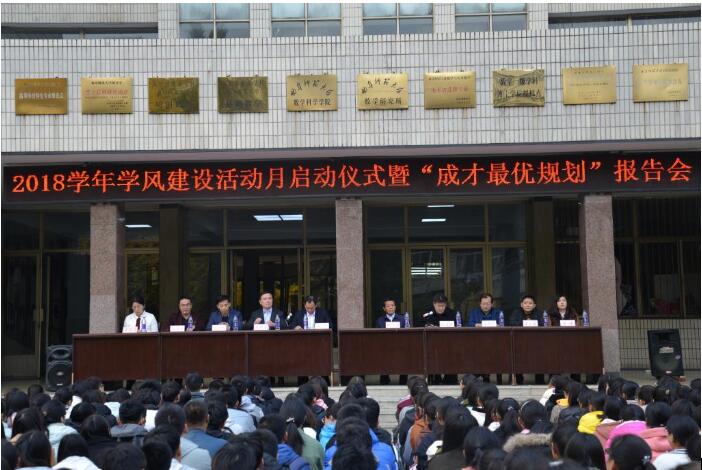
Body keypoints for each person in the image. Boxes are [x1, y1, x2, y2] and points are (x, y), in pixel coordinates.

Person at [506, 294, 545, 385]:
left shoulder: (539, 313)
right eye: (525, 303)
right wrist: (525, 323)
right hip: (519, 342)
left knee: (539, 356)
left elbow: (543, 324)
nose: (528, 305)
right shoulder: (516, 313)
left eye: (530, 303)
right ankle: (519, 379)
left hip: (536, 342)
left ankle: (539, 380)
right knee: (517, 356)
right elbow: (512, 323)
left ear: (534, 305)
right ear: (521, 304)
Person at [374, 298, 409, 386]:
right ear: (384, 308)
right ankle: (384, 379)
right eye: (388, 306)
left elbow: (407, 333)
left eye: (392, 305)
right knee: (382, 354)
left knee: (404, 354)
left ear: (395, 307)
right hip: (385, 346)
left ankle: (403, 380)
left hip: (400, 346)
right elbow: (377, 335)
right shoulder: (380, 320)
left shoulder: (402, 319)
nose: (390, 307)